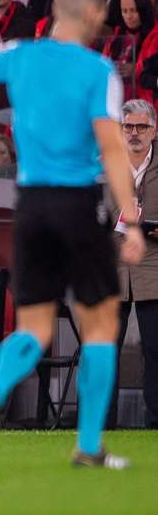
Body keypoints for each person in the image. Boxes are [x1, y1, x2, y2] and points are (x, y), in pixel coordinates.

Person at [0, 0, 146, 468]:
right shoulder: (97, 70)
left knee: (34, 326)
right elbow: (110, 145)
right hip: (79, 204)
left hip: (31, 204)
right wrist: (132, 217)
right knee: (101, 324)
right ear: (88, 14)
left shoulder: (22, 54)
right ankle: (87, 448)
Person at [113, 99, 158, 430]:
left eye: (142, 127)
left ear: (154, 130)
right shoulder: (104, 166)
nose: (134, 133)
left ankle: (155, 422)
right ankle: (98, 425)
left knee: (155, 352)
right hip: (110, 271)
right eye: (129, 126)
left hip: (153, 270)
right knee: (102, 353)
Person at [103, 0, 154, 99]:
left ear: (143, 10)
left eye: (133, 10)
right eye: (124, 11)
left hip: (143, 101)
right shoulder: (117, 33)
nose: (128, 16)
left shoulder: (154, 35)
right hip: (116, 97)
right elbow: (104, 59)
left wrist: (135, 69)